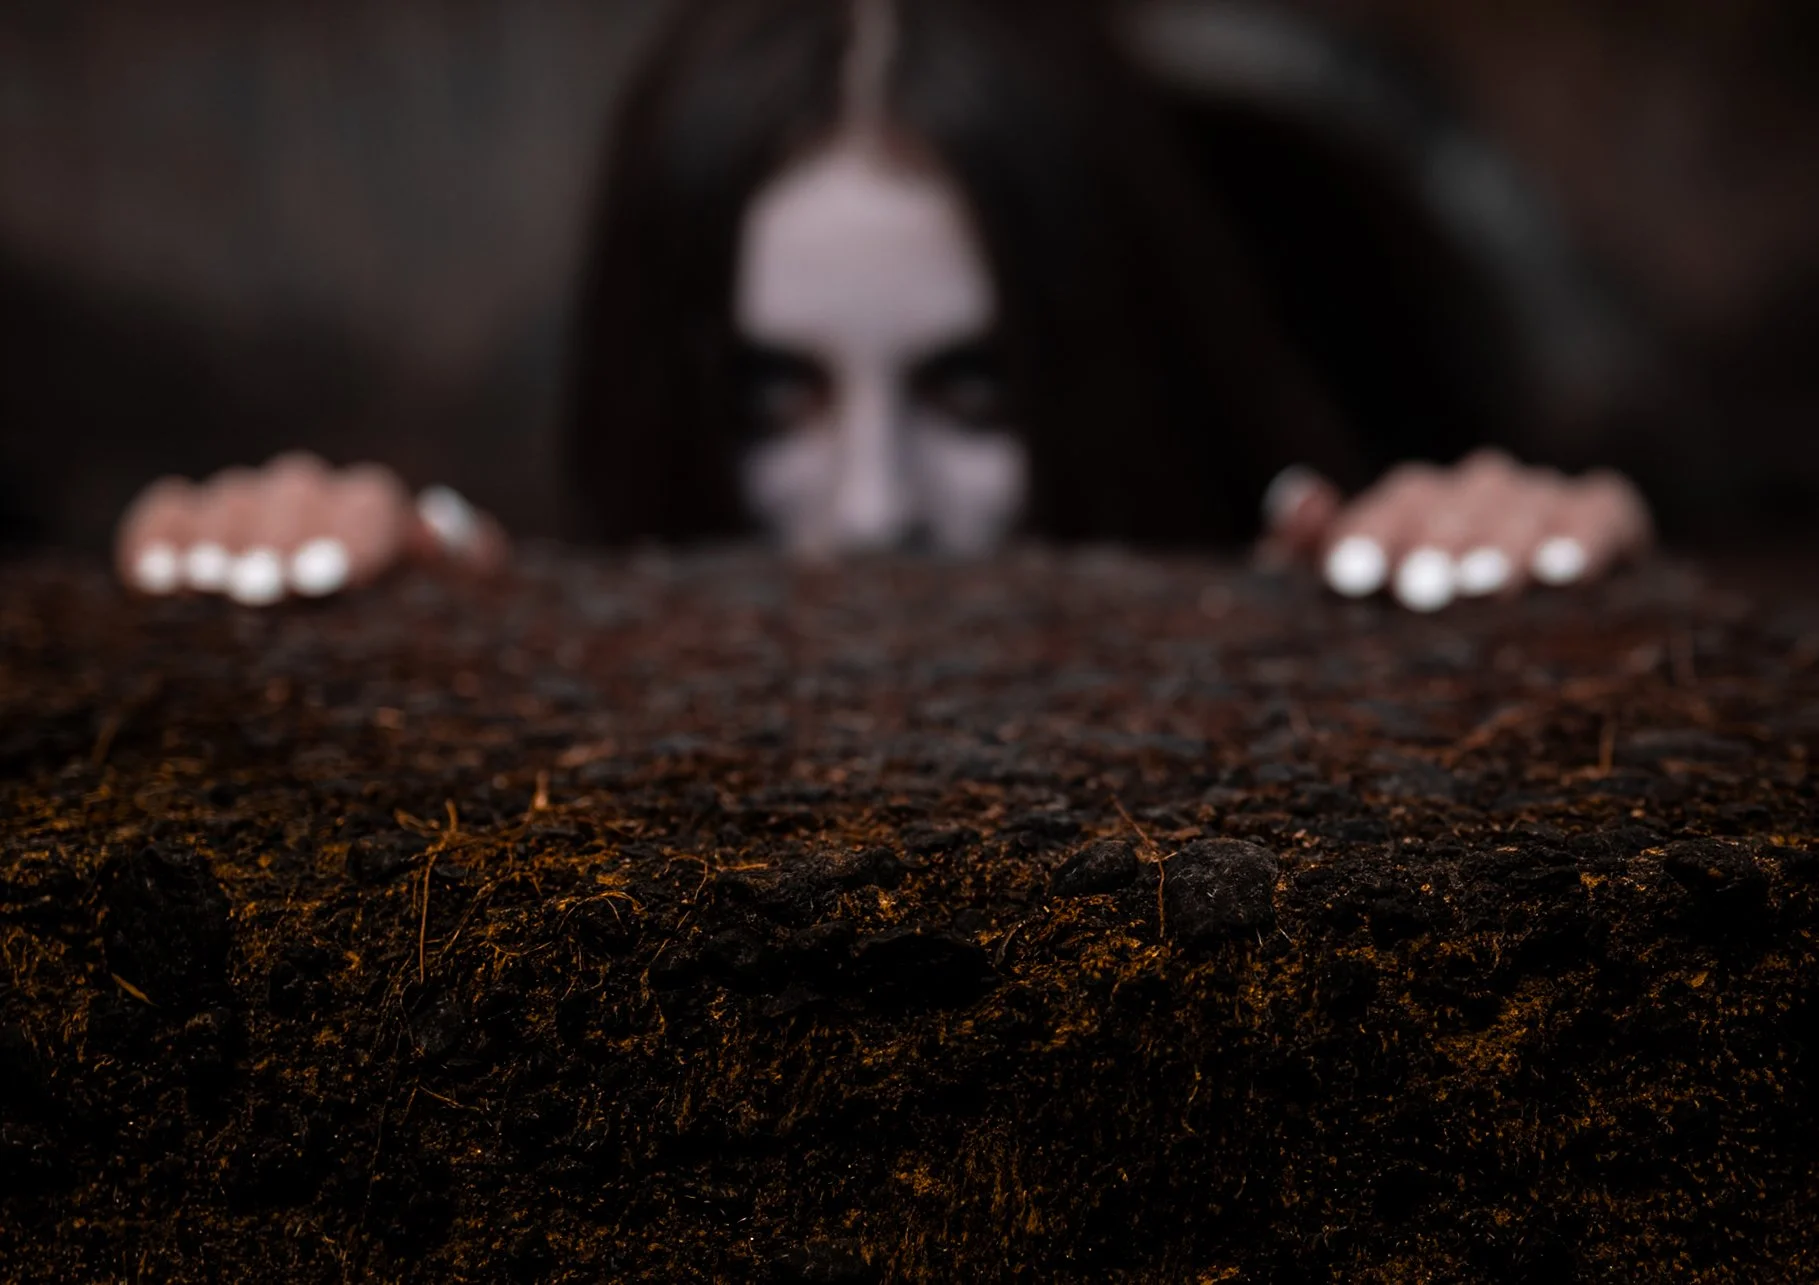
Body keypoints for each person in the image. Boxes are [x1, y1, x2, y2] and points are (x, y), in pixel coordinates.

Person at [114, 0, 1651, 612]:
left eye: (972, 391)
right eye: (775, 397)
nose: (872, 507)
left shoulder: (1318, 454)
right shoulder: (530, 540)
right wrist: (351, 595)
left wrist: (1504, 580)